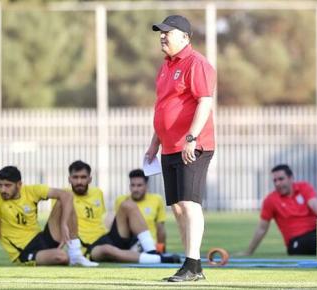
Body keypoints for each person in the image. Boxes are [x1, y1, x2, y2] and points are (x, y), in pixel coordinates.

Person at [146, 15, 216, 282]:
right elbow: (164, 107)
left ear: (185, 37)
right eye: (160, 33)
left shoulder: (196, 64)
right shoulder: (165, 66)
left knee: (189, 203)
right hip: (169, 147)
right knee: (176, 207)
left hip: (193, 145)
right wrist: (155, 143)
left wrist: (191, 138)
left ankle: (192, 263)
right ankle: (192, 266)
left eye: (168, 32)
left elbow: (204, 103)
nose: (162, 36)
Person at [63, 160, 180, 264]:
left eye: (83, 177)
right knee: (107, 249)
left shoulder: (97, 193)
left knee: (128, 205)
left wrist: (161, 247)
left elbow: (103, 219)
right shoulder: (64, 197)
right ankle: (157, 259)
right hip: (89, 247)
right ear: (69, 179)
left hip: (106, 237)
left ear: (90, 179)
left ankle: (152, 251)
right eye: (75, 177)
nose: (79, 181)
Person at [0, 166, 98, 266]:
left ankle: (75, 254)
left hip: (40, 238)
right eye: (1, 185)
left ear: (19, 185)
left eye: (7, 185)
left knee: (65, 199)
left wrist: (63, 224)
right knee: (61, 257)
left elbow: (66, 195)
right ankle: (62, 256)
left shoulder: (31, 191)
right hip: (24, 251)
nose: (3, 189)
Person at [239, 164, 317, 257]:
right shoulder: (270, 200)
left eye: (281, 179)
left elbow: (314, 205)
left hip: (316, 231)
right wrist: (248, 251)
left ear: (291, 178)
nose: (277, 183)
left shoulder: (304, 187)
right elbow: (262, 228)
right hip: (296, 241)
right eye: (275, 180)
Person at [114, 169, 167, 253]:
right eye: (133, 185)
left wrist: (161, 250)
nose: (135, 189)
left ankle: (149, 251)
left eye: (139, 185)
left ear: (146, 186)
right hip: (128, 244)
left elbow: (160, 228)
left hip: (150, 245)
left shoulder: (156, 200)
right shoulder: (121, 201)